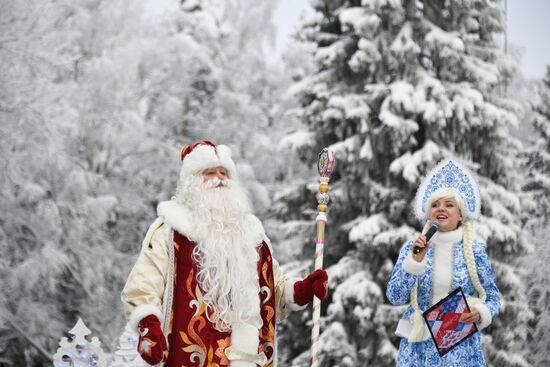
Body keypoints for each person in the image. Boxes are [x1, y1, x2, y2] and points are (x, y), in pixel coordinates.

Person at [121, 141, 328, 367]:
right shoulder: (170, 233)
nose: (219, 178)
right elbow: (144, 282)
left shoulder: (251, 235)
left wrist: (301, 290)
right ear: (192, 182)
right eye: (209, 173)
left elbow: (273, 288)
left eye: (224, 173)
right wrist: (148, 324)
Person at [386, 159, 500, 366]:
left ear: (460, 215)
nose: (441, 209)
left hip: (460, 348)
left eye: (449, 205)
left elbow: (493, 298)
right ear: (429, 212)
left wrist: (481, 313)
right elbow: (395, 297)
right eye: (435, 205)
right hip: (417, 349)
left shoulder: (475, 252)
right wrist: (415, 261)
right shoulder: (413, 248)